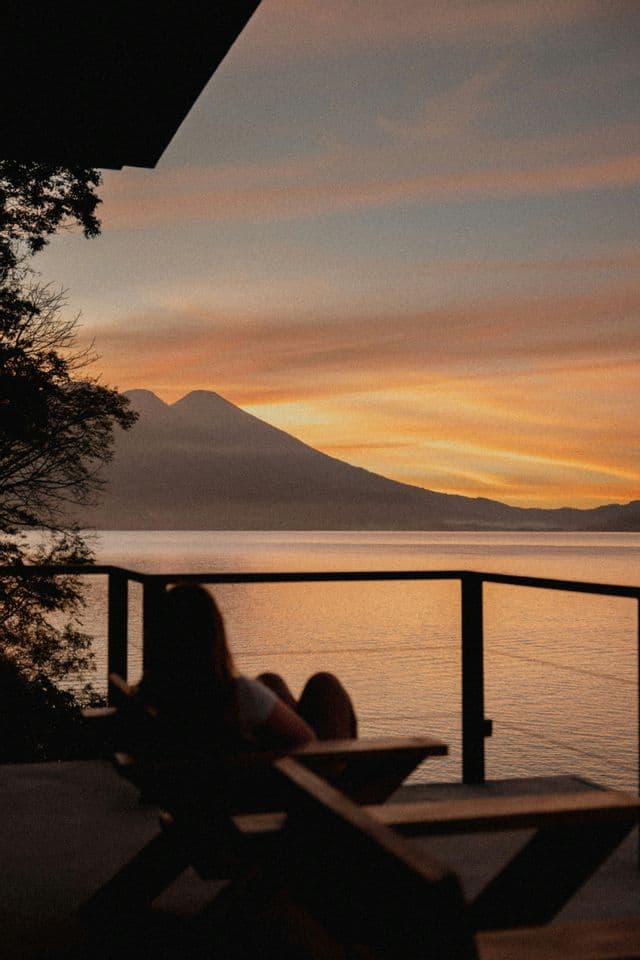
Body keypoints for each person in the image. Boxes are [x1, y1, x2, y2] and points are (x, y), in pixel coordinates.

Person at [137, 582, 357, 755]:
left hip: (203, 787)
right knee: (325, 683)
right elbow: (307, 743)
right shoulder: (237, 696)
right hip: (291, 788)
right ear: (214, 637)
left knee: (270, 680)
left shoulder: (152, 696)